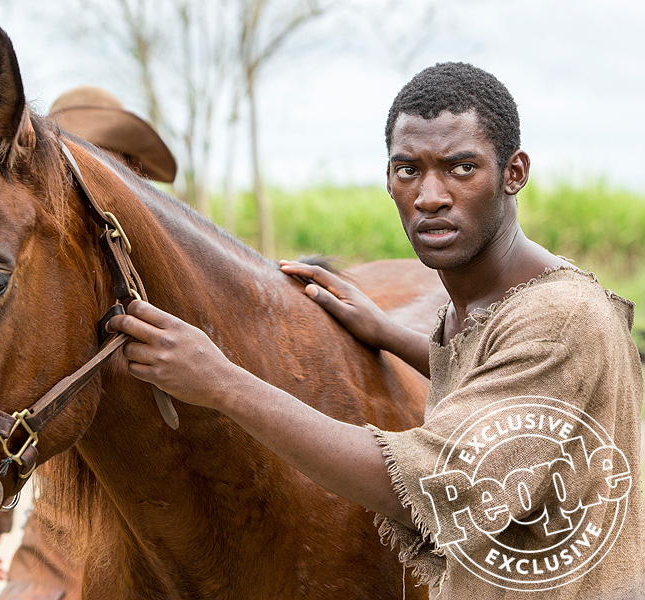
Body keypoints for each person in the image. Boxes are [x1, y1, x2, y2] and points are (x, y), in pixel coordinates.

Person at [109, 62, 644, 599]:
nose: (430, 196)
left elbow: (431, 485)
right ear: (389, 179)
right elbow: (496, 383)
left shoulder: (560, 319)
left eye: (461, 168)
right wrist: (388, 333)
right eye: (408, 170)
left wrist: (221, 382)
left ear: (514, 172)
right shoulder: (488, 306)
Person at [0, 85, 178, 600]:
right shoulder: (43, 277)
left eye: (102, 160)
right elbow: (8, 391)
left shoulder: (167, 270)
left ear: (132, 169)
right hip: (62, 521)